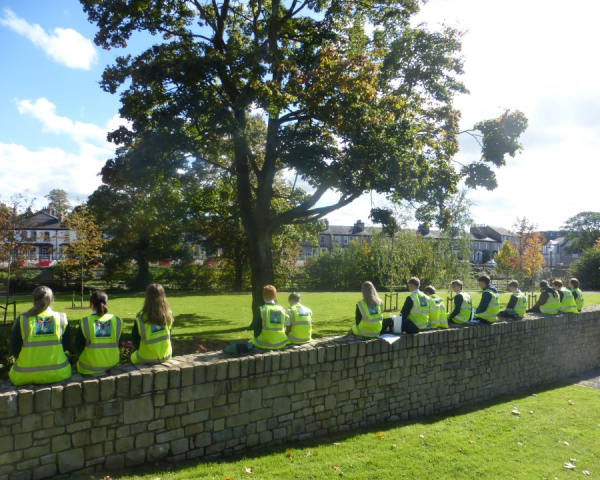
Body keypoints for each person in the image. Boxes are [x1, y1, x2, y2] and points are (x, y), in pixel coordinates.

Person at [9, 286, 72, 386]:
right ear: (51, 300)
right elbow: (66, 345)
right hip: (59, 373)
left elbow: (14, 348)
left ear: (34, 300)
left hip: (24, 375)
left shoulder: (23, 319)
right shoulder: (61, 318)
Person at [75, 290, 122, 374]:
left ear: (90, 304)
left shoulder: (85, 322)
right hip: (112, 365)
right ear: (106, 303)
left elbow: (78, 347)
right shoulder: (117, 320)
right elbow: (120, 343)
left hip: (88, 368)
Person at [131, 283, 174, 364]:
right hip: (166, 356)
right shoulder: (168, 315)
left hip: (146, 357)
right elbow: (169, 335)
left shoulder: (141, 317)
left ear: (147, 297)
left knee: (131, 358)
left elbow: (135, 339)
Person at [250, 285, 290, 349]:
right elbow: (287, 322)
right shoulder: (281, 309)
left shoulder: (261, 309)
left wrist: (256, 337)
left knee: (251, 342)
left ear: (263, 296)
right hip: (281, 342)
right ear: (275, 296)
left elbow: (257, 328)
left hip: (264, 343)